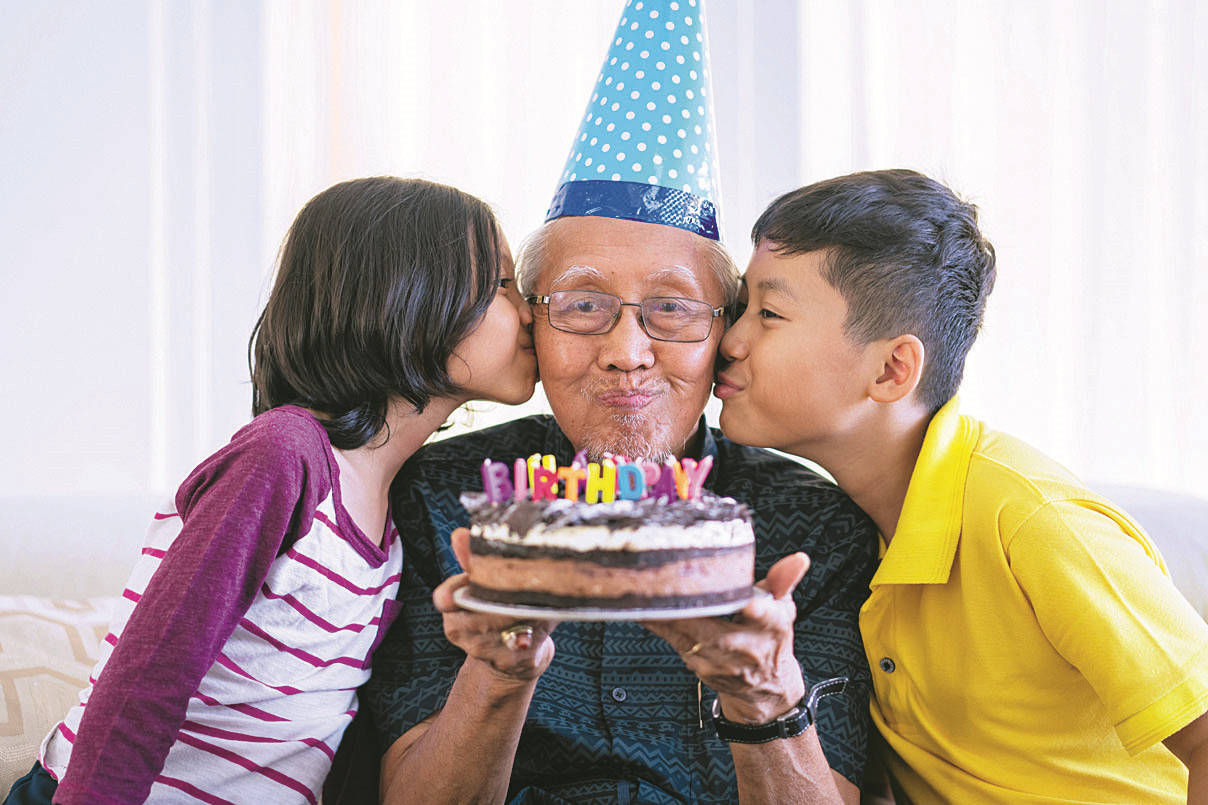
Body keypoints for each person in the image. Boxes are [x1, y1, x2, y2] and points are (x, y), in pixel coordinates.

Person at [2, 177, 537, 805]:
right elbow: (151, 670)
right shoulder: (283, 457)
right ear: (408, 301)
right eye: (503, 285)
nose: (530, 311)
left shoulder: (394, 514)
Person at [712, 167, 1208, 803]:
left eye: (769, 313)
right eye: (740, 308)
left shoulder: (1031, 519)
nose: (731, 339)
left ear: (891, 370)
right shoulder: (846, 536)